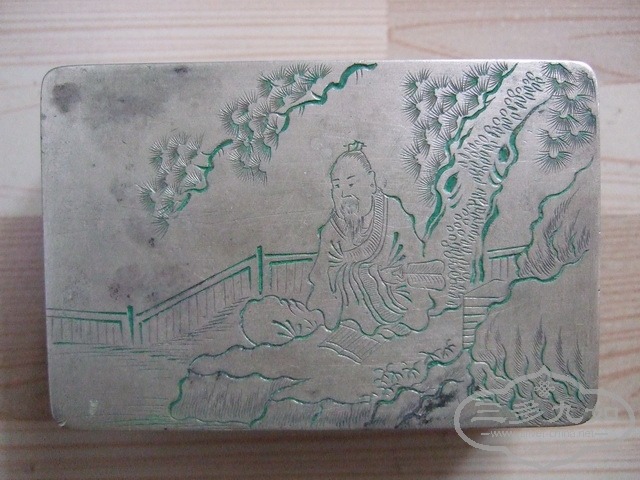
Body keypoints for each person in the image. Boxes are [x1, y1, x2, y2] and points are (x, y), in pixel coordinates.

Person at [307, 141, 442, 338]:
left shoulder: (392, 212)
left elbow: (414, 257)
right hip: (347, 316)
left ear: (371, 182)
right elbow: (321, 278)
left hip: (397, 302)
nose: (344, 193)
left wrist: (384, 277)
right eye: (337, 186)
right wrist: (354, 273)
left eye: (351, 184)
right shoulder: (331, 229)